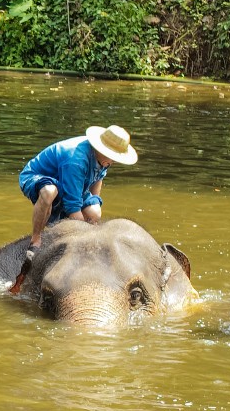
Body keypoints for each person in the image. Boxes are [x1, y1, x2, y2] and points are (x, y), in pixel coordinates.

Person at [11, 124, 137, 289]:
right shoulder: (75, 159)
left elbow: (97, 181)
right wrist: (86, 240)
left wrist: (94, 210)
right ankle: (36, 239)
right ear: (100, 149)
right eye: (111, 156)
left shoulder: (103, 159)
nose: (112, 161)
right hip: (41, 178)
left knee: (94, 213)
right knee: (50, 192)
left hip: (74, 183)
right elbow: (73, 208)